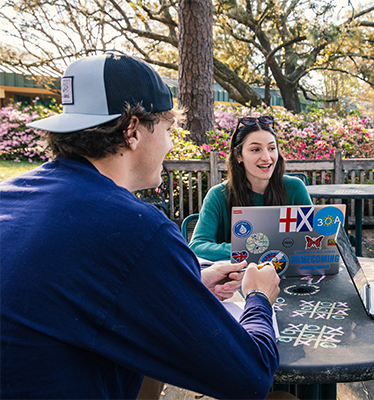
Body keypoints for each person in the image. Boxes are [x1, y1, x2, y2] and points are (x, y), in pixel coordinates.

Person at [0, 53, 281, 399]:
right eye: (167, 130)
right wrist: (258, 297)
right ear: (132, 130)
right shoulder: (136, 228)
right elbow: (250, 378)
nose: (169, 144)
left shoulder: (9, 196)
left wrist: (187, 286)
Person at [189, 115, 312, 261]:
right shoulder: (218, 195)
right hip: (236, 278)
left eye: (272, 148)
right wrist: (250, 248)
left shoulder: (295, 188)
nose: (267, 157)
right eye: (255, 150)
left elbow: (311, 239)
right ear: (239, 155)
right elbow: (197, 246)